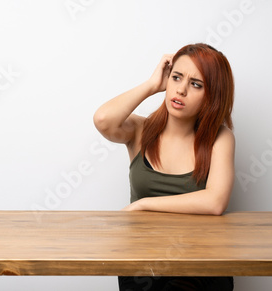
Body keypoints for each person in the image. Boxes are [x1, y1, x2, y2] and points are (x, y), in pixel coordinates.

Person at [93, 43, 235, 291]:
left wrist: (144, 204)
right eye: (176, 77)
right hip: (141, 258)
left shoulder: (220, 138)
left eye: (196, 84)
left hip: (201, 258)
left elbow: (215, 202)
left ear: (212, 95)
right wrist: (151, 86)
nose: (180, 90)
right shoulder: (140, 130)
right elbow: (103, 119)